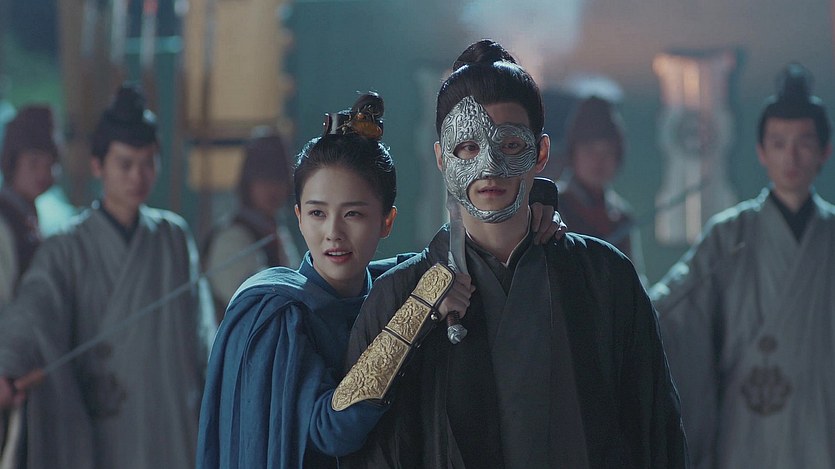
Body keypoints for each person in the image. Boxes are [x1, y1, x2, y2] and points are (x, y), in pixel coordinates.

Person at [341, 40, 687, 469]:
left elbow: (655, 432)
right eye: (467, 147)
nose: (488, 166)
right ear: (442, 158)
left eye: (508, 145)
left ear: (541, 153)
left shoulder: (606, 278)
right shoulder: (398, 297)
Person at [196, 92, 563, 469]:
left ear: (387, 221)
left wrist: (533, 206)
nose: (333, 233)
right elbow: (332, 430)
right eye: (318, 213)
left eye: (353, 214)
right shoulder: (279, 314)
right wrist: (419, 310)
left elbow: (451, 248)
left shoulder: (388, 284)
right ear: (299, 218)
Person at [0, 84, 214, 469]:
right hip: (103, 427)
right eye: (125, 164)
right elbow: (31, 312)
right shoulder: (66, 247)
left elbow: (203, 338)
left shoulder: (174, 237)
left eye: (148, 163)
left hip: (172, 421)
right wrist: (6, 365)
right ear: (98, 166)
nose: (138, 176)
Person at [650, 63, 835, 468]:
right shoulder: (729, 234)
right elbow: (672, 309)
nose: (791, 156)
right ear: (761, 152)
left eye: (804, 143)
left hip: (822, 420)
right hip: (746, 424)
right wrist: (621, 310)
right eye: (779, 143)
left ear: (825, 151)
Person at [203, 128, 301, 323]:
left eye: (279, 178)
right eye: (263, 178)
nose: (272, 188)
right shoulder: (232, 237)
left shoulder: (277, 232)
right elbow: (254, 304)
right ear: (249, 183)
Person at [557, 96, 645, 274]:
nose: (598, 160)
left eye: (607, 152)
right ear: (574, 153)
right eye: (589, 150)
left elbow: (636, 279)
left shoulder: (622, 217)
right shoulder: (553, 207)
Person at [0, 105, 59, 305]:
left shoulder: (28, 213)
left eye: (50, 164)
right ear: (13, 162)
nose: (43, 173)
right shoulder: (4, 220)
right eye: (34, 163)